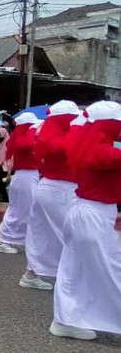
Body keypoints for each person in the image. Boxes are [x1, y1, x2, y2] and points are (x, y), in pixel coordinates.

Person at [52, 101, 121, 340]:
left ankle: (66, 320)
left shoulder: (87, 144)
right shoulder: (101, 150)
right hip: (93, 214)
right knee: (110, 269)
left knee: (74, 270)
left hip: (84, 211)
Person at [21, 101, 81, 291]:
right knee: (72, 236)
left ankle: (31, 274)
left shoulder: (46, 133)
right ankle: (75, 282)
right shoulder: (58, 137)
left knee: (42, 233)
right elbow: (65, 149)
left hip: (48, 187)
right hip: (61, 189)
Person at [0, 113, 40, 254]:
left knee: (24, 210)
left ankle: (18, 239)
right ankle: (1, 240)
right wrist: (33, 131)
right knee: (18, 211)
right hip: (25, 177)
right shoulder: (22, 139)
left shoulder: (23, 137)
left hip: (27, 176)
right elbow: (27, 145)